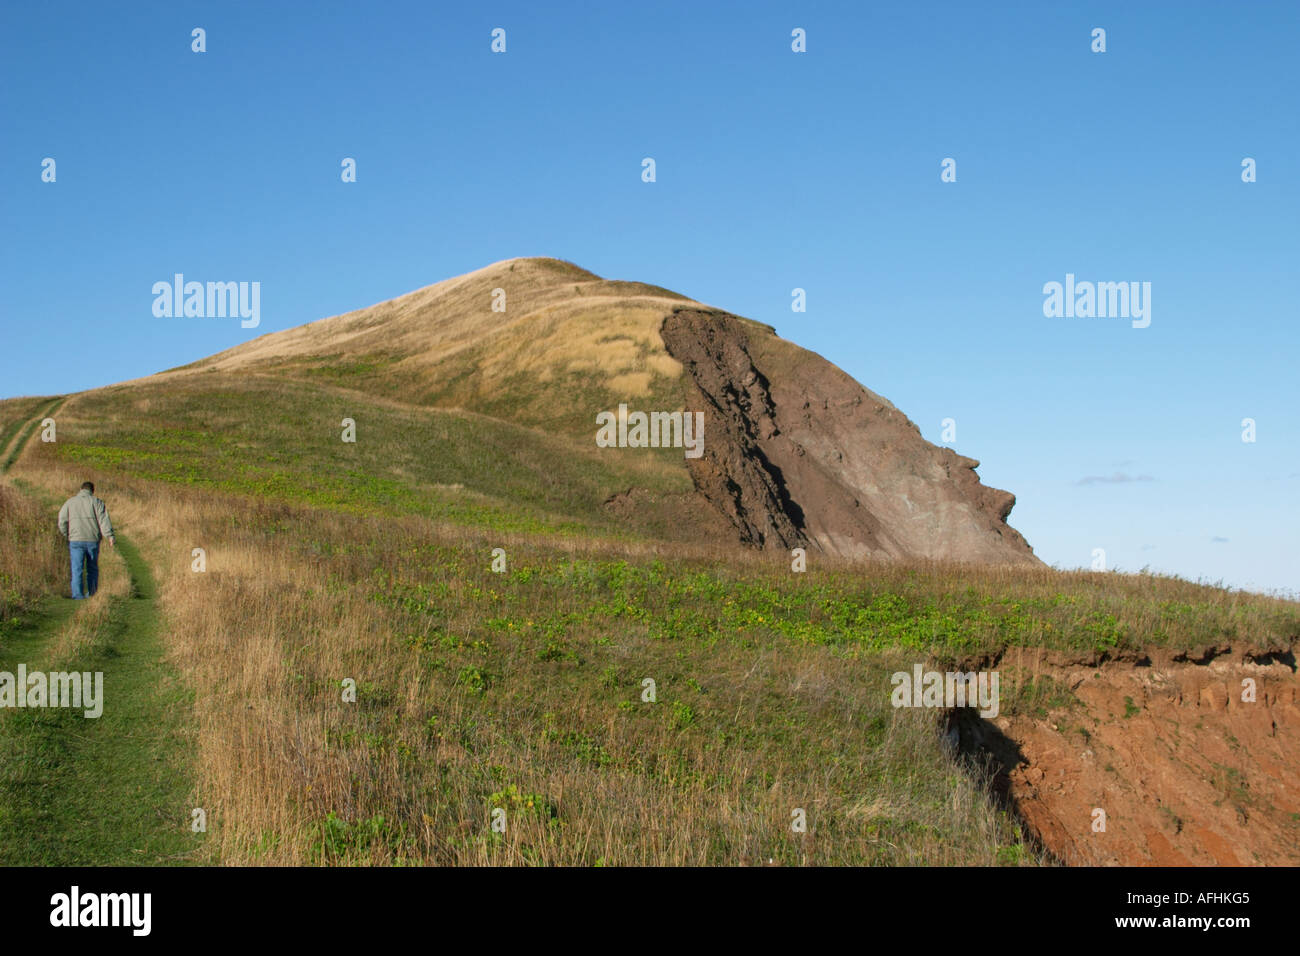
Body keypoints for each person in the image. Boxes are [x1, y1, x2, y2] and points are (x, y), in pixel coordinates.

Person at [57, 481, 115, 599]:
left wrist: (67, 534)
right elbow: (103, 520)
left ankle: (77, 595)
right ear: (92, 490)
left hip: (75, 540)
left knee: (77, 568)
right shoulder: (97, 502)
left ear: (80, 489)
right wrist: (109, 536)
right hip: (92, 540)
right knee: (92, 568)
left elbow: (62, 520)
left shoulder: (70, 502)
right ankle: (92, 594)